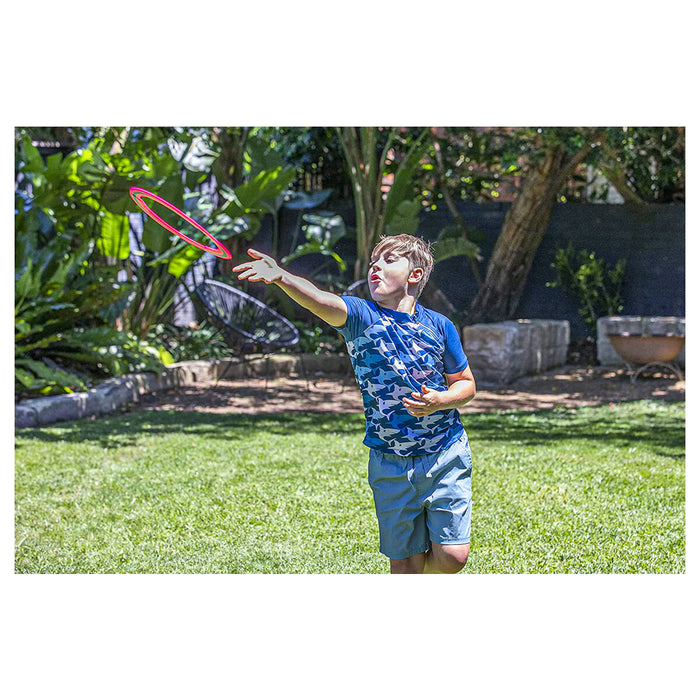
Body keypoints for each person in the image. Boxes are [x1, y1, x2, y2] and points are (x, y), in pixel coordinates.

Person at [232, 234, 476, 574]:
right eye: (374, 261)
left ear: (415, 275)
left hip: (445, 451)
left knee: (452, 557)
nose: (376, 266)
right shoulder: (361, 316)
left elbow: (466, 384)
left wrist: (440, 400)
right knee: (405, 564)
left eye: (389, 260)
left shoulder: (440, 326)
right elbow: (319, 299)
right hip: (390, 460)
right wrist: (282, 277)